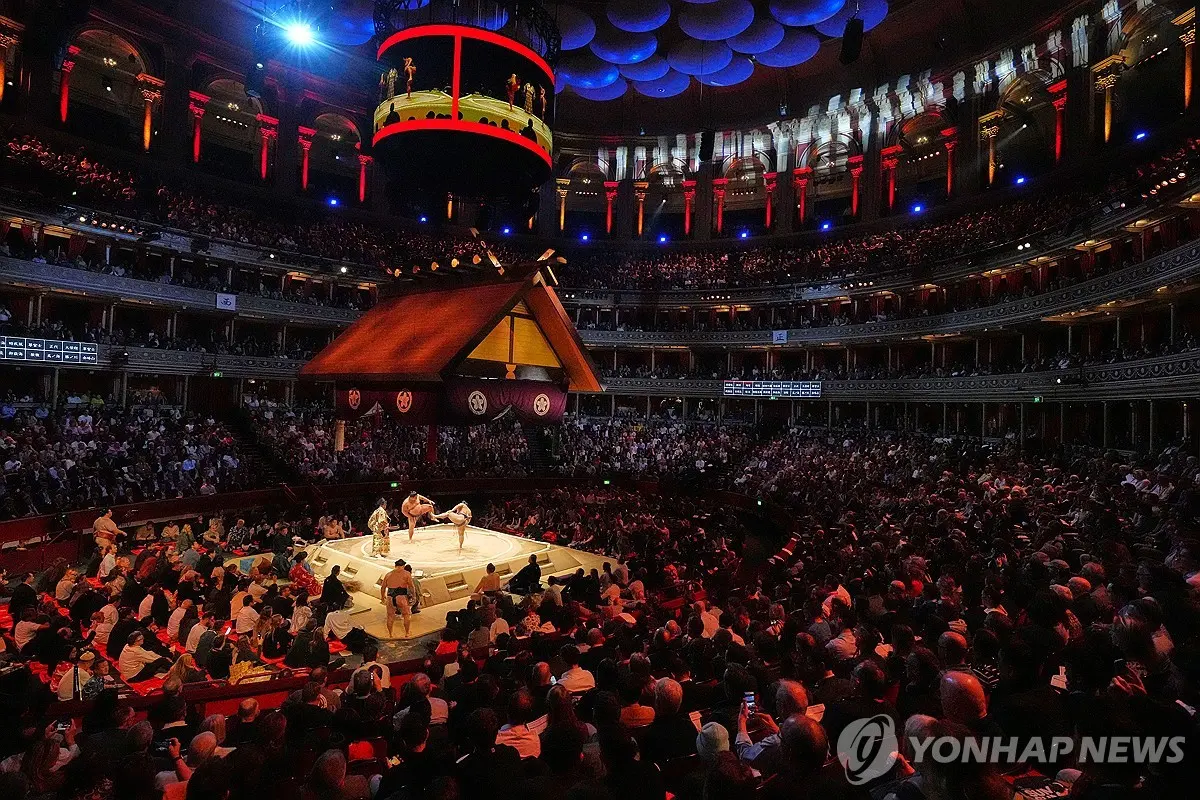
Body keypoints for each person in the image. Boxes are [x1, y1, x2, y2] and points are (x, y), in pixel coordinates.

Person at [380, 558, 415, 639]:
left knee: (390, 616)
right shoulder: (406, 574)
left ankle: (390, 634)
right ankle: (407, 633)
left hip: (390, 597)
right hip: (401, 597)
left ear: (395, 566)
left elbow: (383, 588)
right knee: (406, 615)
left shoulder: (388, 574)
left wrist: (382, 597)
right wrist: (413, 596)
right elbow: (411, 586)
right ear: (403, 566)